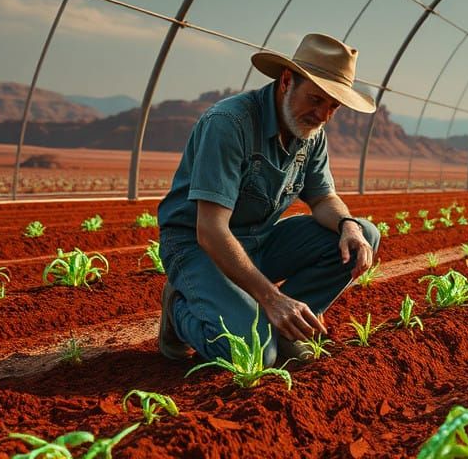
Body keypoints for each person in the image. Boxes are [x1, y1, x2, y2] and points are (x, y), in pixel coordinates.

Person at [156, 33, 381, 365]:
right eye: (316, 99)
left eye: (333, 106)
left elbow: (322, 199)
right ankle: (179, 308)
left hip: (258, 241)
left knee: (365, 235)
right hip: (198, 246)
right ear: (286, 81)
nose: (323, 115)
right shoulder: (230, 123)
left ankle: (289, 328)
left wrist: (348, 225)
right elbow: (211, 230)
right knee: (252, 354)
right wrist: (271, 298)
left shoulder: (311, 134)